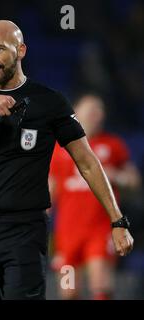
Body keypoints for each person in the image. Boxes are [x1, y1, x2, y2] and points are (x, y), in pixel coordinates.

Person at [0, 20, 134, 300]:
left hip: (26, 229)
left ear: (21, 50)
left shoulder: (49, 102)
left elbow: (88, 162)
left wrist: (117, 221)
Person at [49, 94, 141, 300]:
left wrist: (116, 176)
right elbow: (50, 188)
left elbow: (134, 181)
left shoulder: (112, 145)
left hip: (99, 229)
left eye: (99, 111)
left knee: (100, 284)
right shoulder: (60, 147)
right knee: (68, 291)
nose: (96, 115)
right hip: (66, 233)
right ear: (76, 112)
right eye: (90, 110)